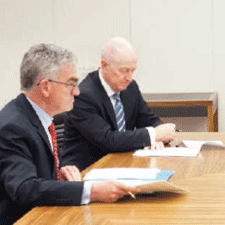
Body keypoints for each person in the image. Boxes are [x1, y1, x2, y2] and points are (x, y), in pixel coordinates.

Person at [0, 44, 140, 225]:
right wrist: (91, 191)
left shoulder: (38, 117)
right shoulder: (13, 127)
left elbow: (32, 177)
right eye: (71, 84)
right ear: (45, 87)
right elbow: (24, 189)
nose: (77, 91)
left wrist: (56, 177)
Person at [62, 37, 176, 170]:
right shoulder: (83, 95)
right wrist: (153, 135)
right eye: (124, 70)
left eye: (133, 70)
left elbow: (148, 119)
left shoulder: (130, 87)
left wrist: (161, 135)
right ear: (104, 65)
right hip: (88, 171)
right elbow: (108, 140)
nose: (129, 77)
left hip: (121, 164)